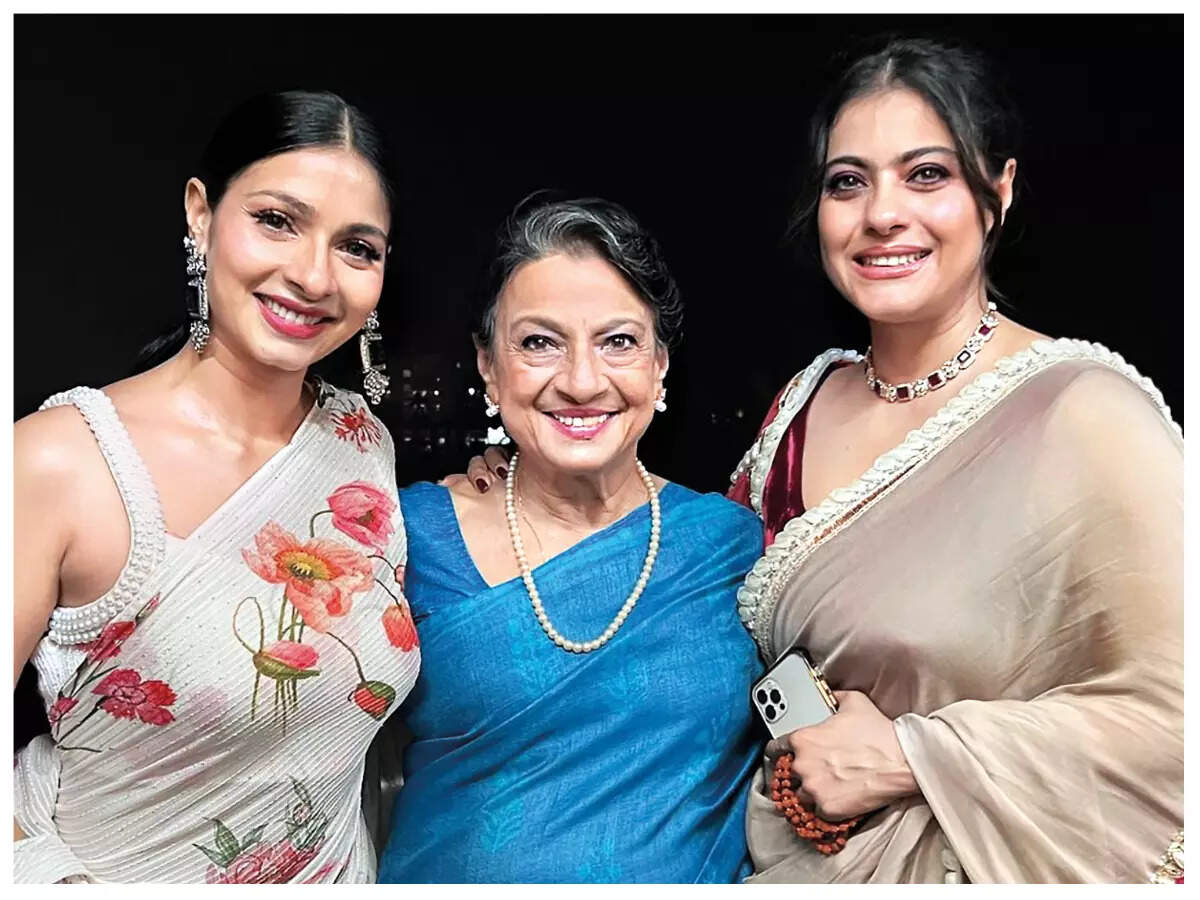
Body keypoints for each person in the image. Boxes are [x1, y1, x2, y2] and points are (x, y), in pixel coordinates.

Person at [728, 38, 1183, 883]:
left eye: (926, 174)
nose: (882, 214)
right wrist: (527, 493)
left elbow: (1178, 717)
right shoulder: (801, 403)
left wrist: (908, 756)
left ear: (998, 190)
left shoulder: (1082, 412)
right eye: (847, 181)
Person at [12, 90, 420, 883]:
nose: (311, 275)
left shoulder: (361, 446)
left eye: (357, 248)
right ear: (201, 214)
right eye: (277, 220)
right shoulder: (59, 461)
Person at [374, 196, 764, 883]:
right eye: (538, 343)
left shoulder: (730, 547)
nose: (582, 382)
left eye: (618, 341)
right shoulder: (410, 536)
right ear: (488, 367)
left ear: (660, 366)